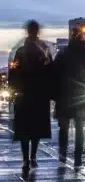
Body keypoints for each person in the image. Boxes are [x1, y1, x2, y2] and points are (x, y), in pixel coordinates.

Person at [9, 20, 53, 171]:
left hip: (23, 95)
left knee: (24, 128)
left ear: (27, 32)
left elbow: (13, 72)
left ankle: (25, 159)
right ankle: (33, 157)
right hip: (39, 95)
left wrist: (14, 89)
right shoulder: (45, 50)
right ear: (37, 32)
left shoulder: (21, 51)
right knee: (36, 128)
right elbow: (50, 71)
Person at [53, 28, 85, 165]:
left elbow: (54, 75)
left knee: (64, 127)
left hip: (64, 96)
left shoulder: (63, 53)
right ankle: (78, 158)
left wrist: (54, 95)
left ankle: (63, 154)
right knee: (79, 128)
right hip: (81, 96)